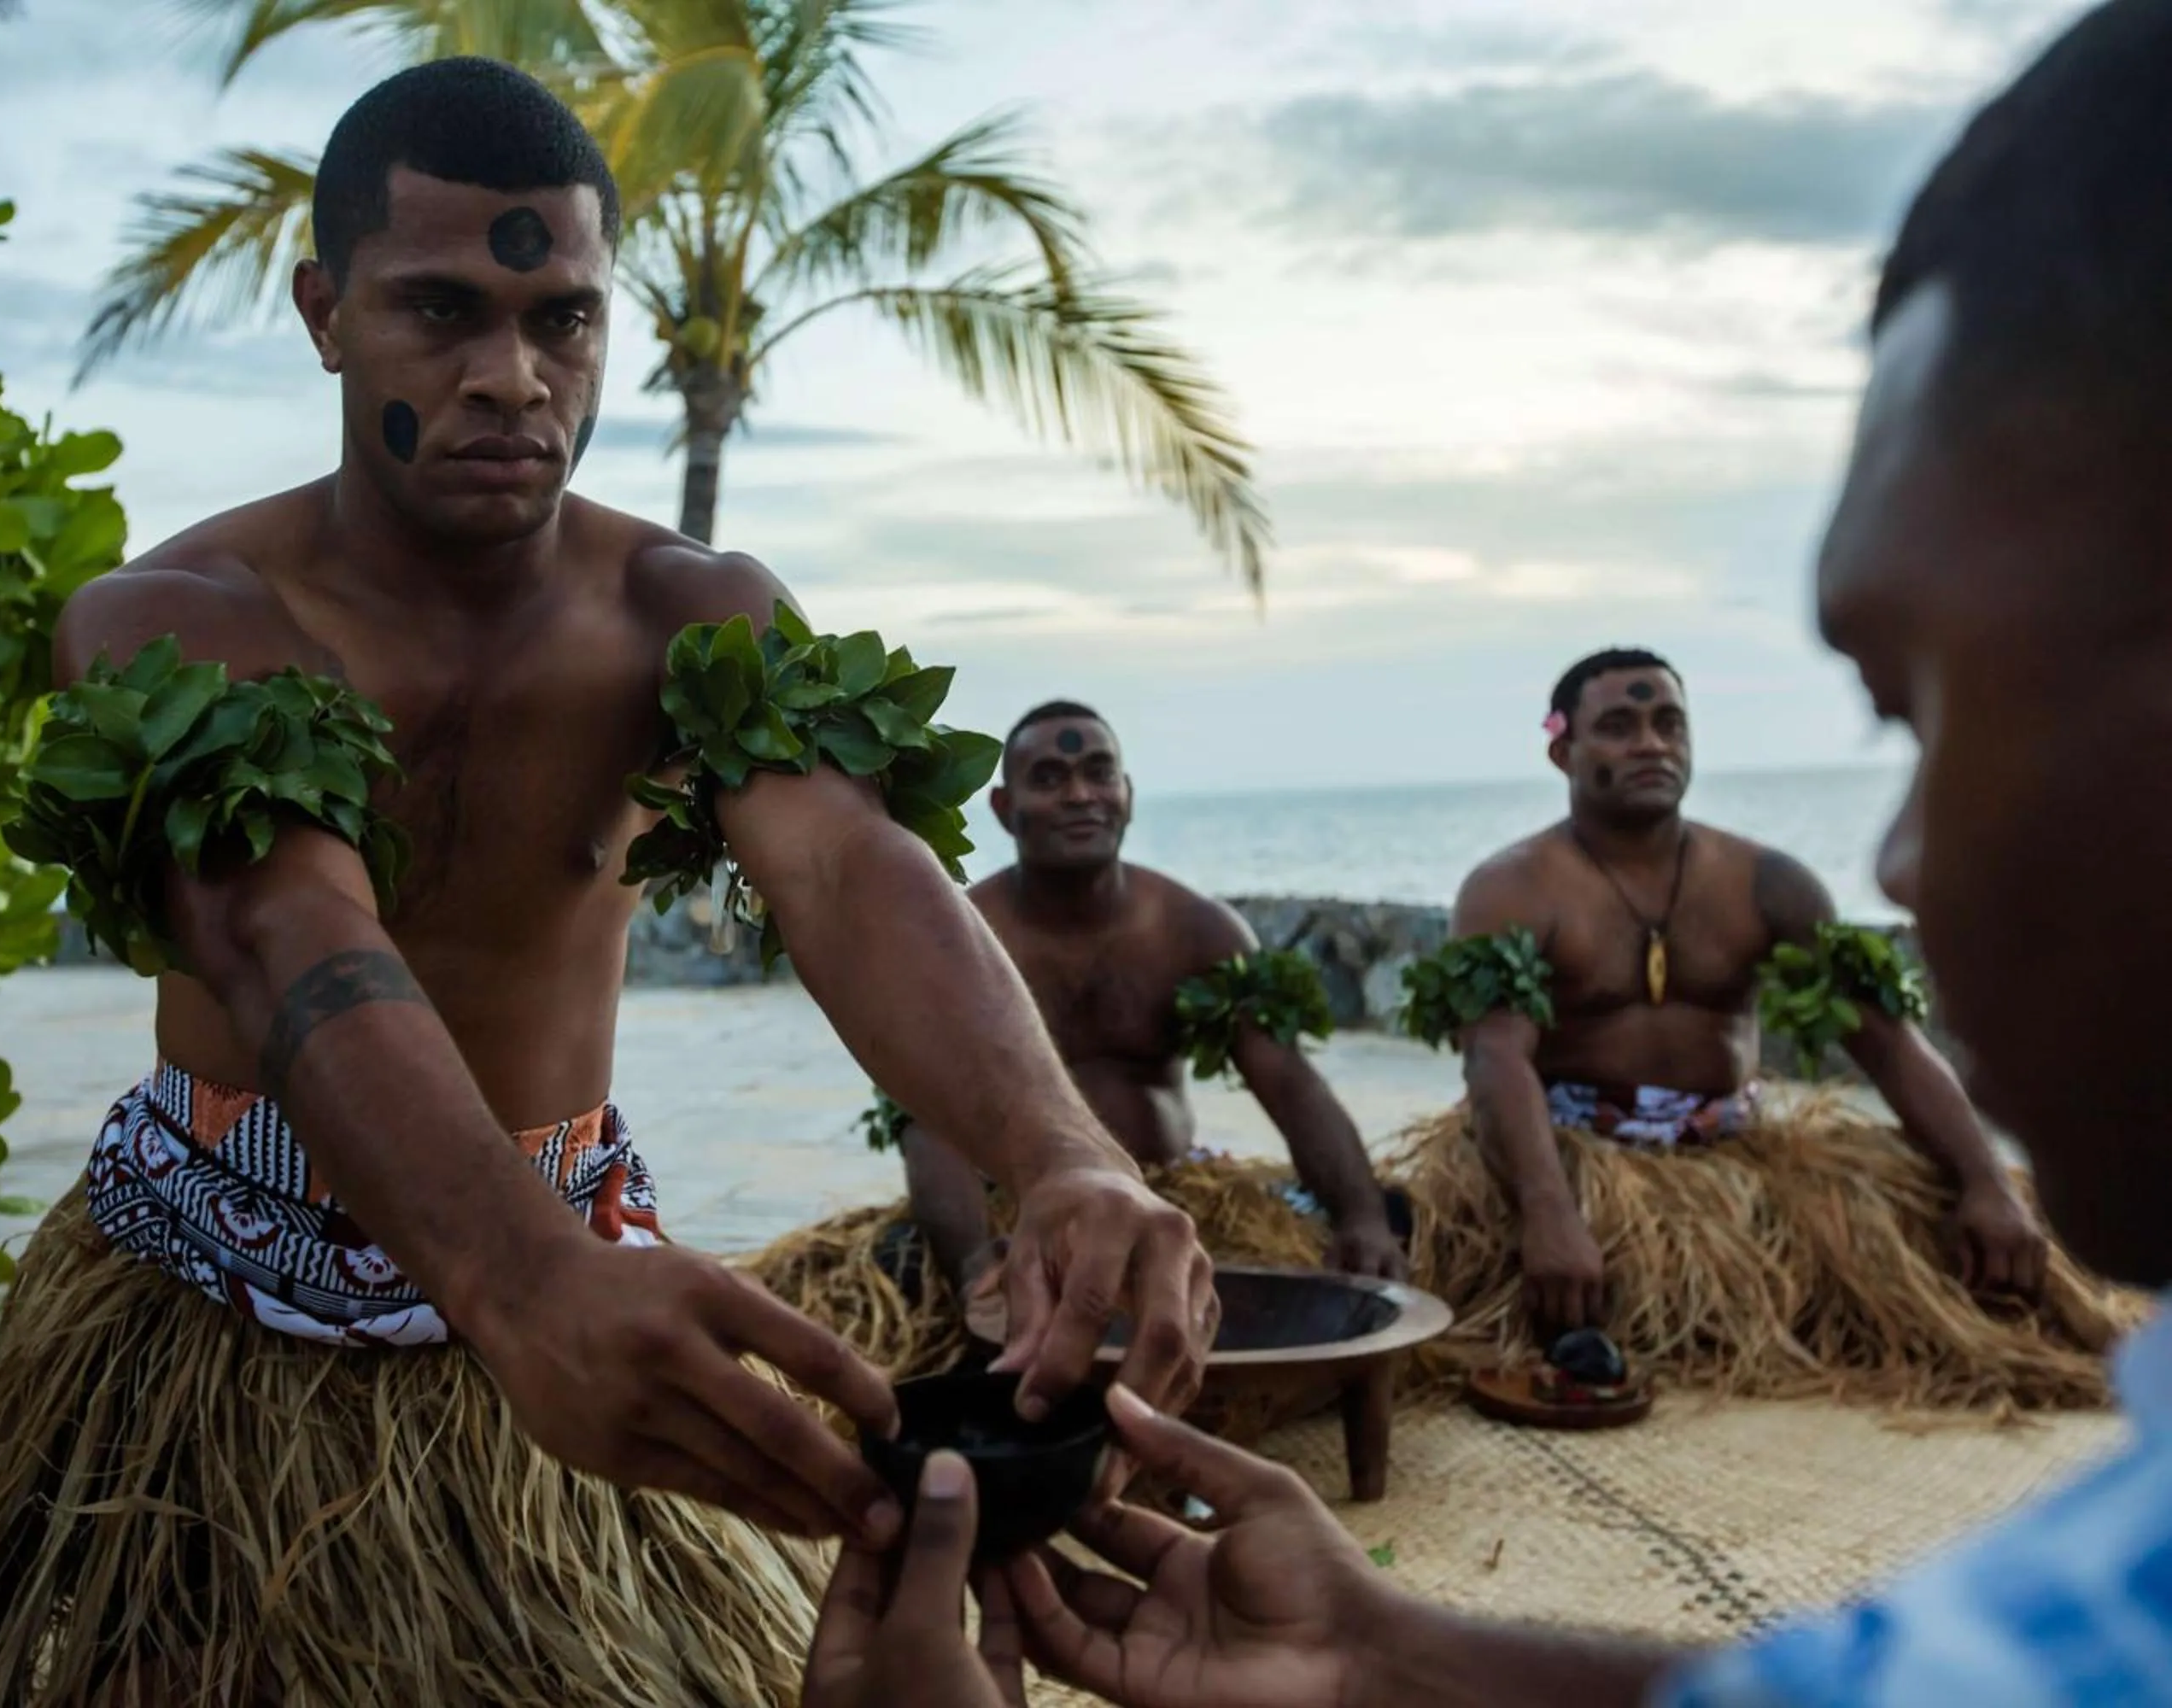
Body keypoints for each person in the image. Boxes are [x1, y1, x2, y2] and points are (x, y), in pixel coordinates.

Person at [818, 2, 2172, 1701]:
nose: (1901, 856)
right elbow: (949, 1113)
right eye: (1617, 722)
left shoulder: (1734, 883)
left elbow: (1299, 1083)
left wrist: (1973, 1179)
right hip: (1102, 1222)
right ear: (1006, 806)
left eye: (1935, 707)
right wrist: (1377, 1652)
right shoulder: (1479, 897)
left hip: (1689, 1173)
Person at [0, 58, 1212, 1707]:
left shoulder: (687, 613)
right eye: (440, 310)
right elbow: (287, 926)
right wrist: (519, 1287)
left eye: (562, 319)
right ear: (322, 312)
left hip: (565, 1273)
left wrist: (1061, 1154)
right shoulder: (173, 619)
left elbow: (852, 871)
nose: (512, 376)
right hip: (216, 1302)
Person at [1390, 640, 2136, 1410]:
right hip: (1573, 1158)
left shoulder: (1768, 882)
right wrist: (1547, 1215)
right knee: (1552, 1318)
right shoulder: (1511, 888)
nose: (1651, 742)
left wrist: (1986, 1184)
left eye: (1669, 722)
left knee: (1978, 1282)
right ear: (1563, 750)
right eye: (1618, 725)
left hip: (1737, 1154)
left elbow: (1887, 1042)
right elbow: (1496, 1062)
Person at [896, 701, 1406, 1297]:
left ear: (1128, 795)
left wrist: (1361, 1218)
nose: (1080, 794)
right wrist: (979, 1267)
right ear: (1005, 810)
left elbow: (1290, 1083)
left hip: (1173, 1196)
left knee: (1394, 1219)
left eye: (1099, 772)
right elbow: (928, 1122)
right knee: (905, 1274)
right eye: (1049, 779)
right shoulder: (964, 943)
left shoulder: (1196, 932)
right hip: (1017, 1210)